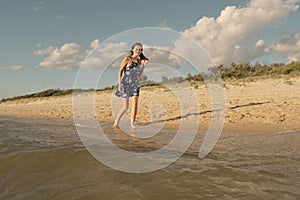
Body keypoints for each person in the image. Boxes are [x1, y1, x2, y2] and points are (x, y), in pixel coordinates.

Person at [113, 42, 149, 128]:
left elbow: (139, 75)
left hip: (135, 84)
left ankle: (132, 123)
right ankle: (116, 122)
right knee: (125, 107)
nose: (139, 51)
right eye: (137, 49)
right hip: (126, 84)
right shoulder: (127, 59)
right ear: (132, 50)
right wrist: (119, 83)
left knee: (135, 104)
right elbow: (120, 71)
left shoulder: (139, 61)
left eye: (140, 49)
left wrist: (143, 66)